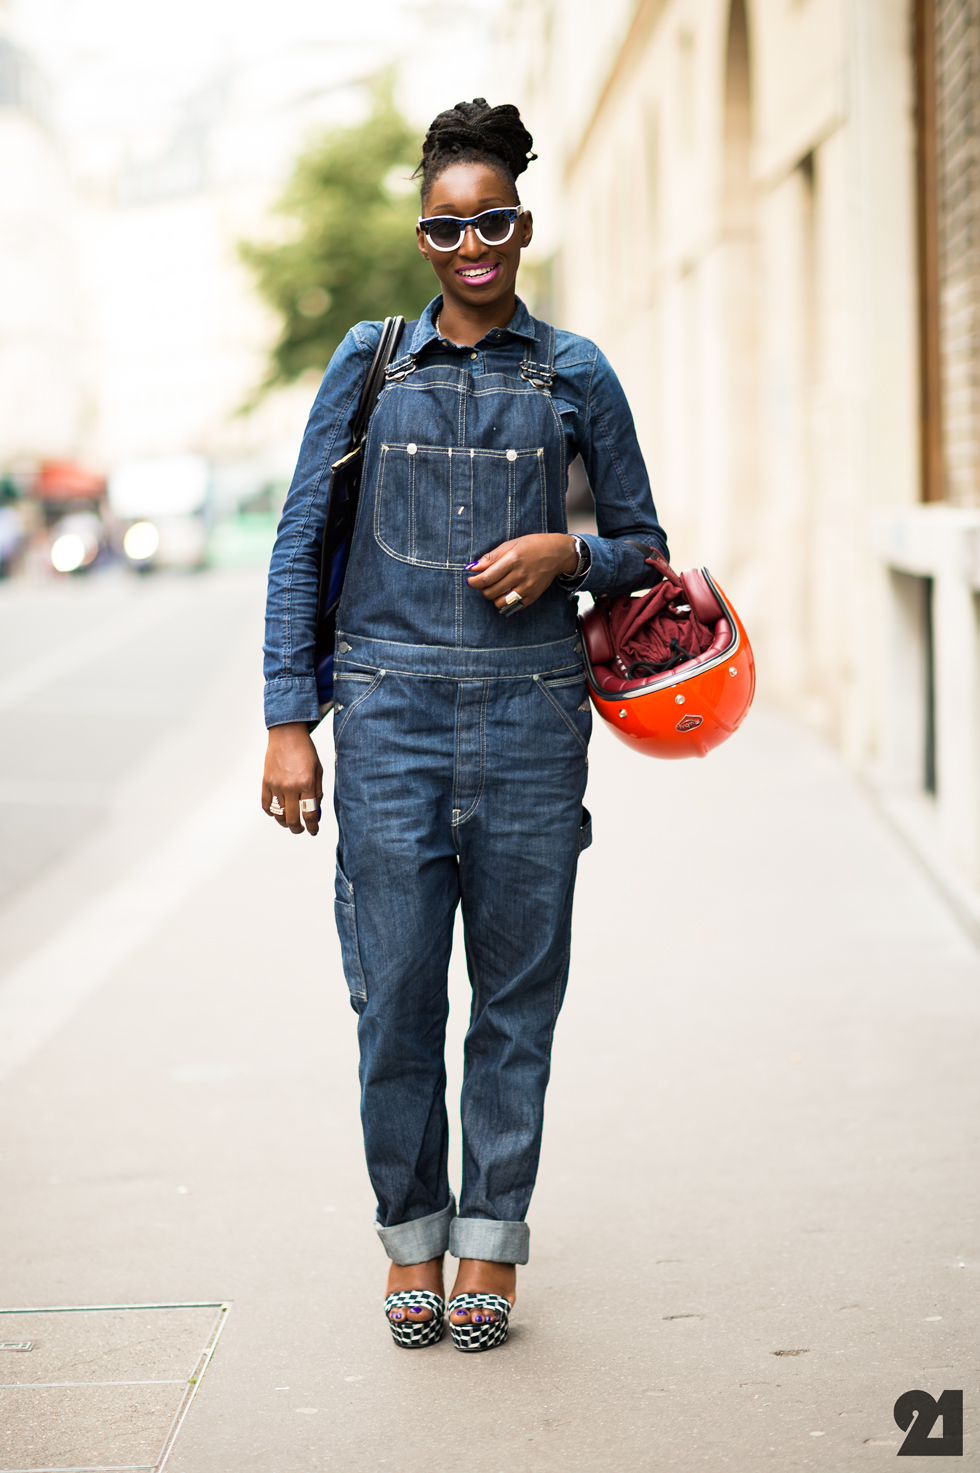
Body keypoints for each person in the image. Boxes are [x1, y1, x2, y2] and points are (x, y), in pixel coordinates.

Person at [261, 98, 668, 1352]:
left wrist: (568, 551)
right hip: (386, 720)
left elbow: (647, 553)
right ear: (423, 234)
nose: (471, 245)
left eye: (492, 220)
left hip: (534, 725)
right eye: (448, 226)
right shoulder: (369, 363)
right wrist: (290, 720)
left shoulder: (575, 373)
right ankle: (409, 1239)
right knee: (392, 1000)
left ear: (522, 225)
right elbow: (299, 546)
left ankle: (488, 1246)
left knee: (513, 1000)